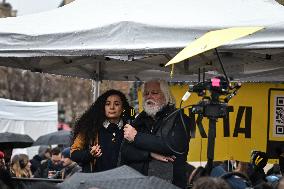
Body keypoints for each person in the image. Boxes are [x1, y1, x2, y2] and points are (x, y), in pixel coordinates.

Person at [121, 79, 190, 188]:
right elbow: (125, 152)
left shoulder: (179, 118)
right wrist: (149, 154)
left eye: (154, 93)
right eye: (146, 93)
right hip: (139, 184)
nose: (149, 96)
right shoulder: (139, 120)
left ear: (166, 96)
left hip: (170, 185)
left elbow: (173, 147)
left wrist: (137, 137)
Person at [71, 89, 131, 173]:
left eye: (116, 104)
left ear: (123, 108)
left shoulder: (130, 129)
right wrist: (90, 154)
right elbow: (74, 154)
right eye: (107, 104)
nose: (112, 107)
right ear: (103, 107)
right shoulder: (89, 128)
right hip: (95, 182)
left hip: (123, 181)